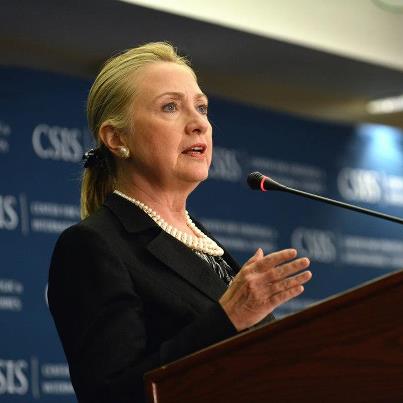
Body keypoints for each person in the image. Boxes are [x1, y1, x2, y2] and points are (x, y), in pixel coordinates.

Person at [48, 42, 312, 403]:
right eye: (170, 107)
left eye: (201, 107)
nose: (198, 123)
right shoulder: (93, 246)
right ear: (116, 138)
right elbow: (110, 395)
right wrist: (227, 317)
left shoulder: (199, 238)